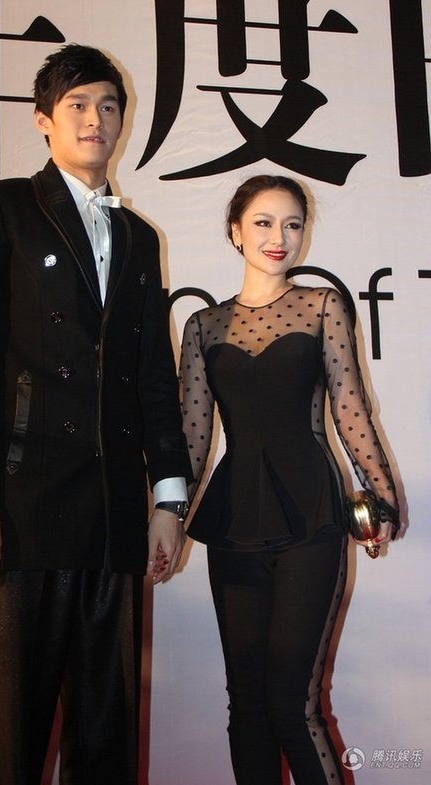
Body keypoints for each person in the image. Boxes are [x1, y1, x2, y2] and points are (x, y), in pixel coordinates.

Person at [0, 44, 192, 785]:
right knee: (12, 737)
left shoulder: (139, 238)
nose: (95, 119)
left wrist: (168, 499)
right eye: (77, 104)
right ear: (44, 120)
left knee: (108, 741)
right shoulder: (1, 206)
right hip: (19, 508)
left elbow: (152, 374)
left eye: (108, 105)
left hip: (113, 516)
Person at [179, 174, 400, 785]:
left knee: (292, 705)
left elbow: (350, 409)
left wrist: (379, 496)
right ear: (235, 232)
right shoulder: (203, 326)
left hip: (311, 515)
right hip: (234, 520)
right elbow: (193, 437)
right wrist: (164, 516)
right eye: (263, 222)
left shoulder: (322, 305)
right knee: (246, 706)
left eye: (293, 224)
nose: (279, 236)